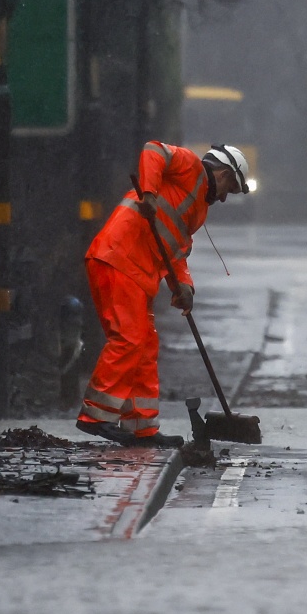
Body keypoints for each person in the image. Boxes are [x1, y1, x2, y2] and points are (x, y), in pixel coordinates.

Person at [77, 141, 249, 445]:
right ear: (222, 174)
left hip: (137, 273)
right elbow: (152, 150)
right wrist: (150, 194)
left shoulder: (198, 212)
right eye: (229, 189)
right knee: (129, 338)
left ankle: (141, 428)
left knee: (145, 345)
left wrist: (183, 287)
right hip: (118, 257)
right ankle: (96, 416)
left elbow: (176, 250)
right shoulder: (190, 166)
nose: (223, 198)